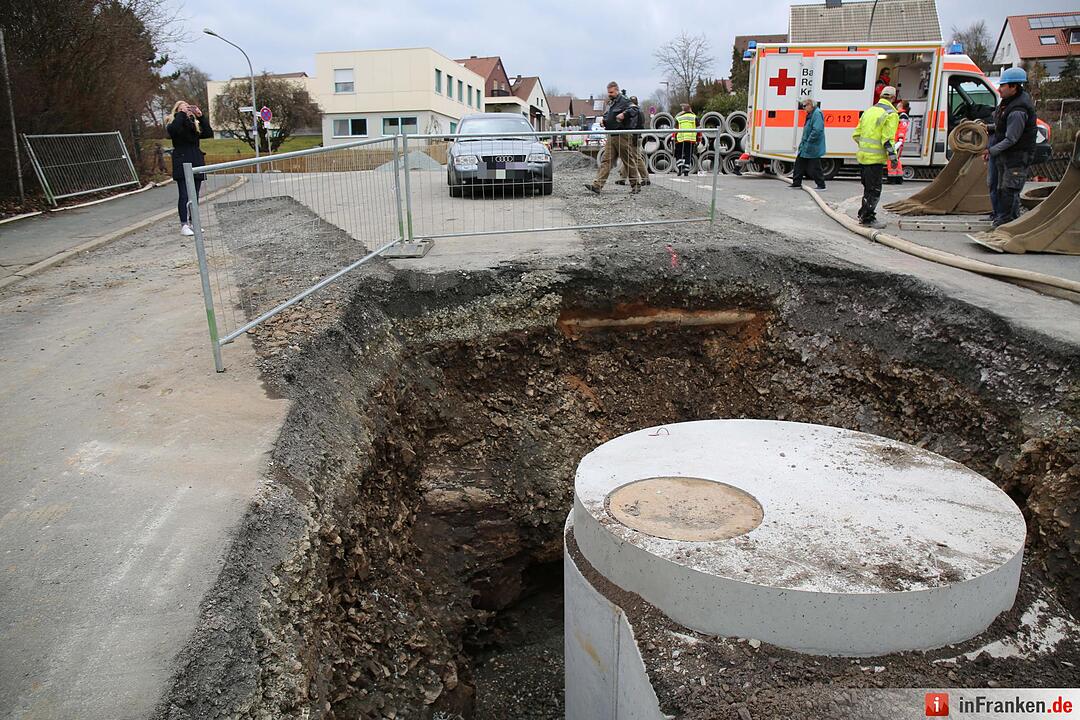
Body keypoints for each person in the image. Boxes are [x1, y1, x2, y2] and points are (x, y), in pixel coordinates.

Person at [986, 66, 1037, 226]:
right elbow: (1003, 126)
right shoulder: (1009, 103)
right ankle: (1004, 219)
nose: (999, 89)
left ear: (1014, 87)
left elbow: (1011, 138)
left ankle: (1008, 223)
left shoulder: (1018, 110)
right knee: (1002, 188)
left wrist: (991, 150)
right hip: (1007, 155)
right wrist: (988, 128)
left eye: (1003, 85)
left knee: (1009, 190)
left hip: (1016, 155)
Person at [852, 85, 899, 229]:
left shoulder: (869, 111)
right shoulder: (891, 114)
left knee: (868, 188)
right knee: (874, 190)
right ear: (893, 98)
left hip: (863, 157)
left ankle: (863, 214)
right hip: (875, 160)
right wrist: (893, 158)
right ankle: (867, 218)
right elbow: (887, 140)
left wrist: (866, 148)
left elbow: (856, 135)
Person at [166, 100, 214, 236]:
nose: (187, 110)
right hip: (182, 160)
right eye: (183, 108)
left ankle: (194, 223)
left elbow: (208, 133)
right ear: (177, 111)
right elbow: (174, 131)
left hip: (196, 159)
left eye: (188, 108)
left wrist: (200, 116)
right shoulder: (173, 124)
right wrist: (181, 114)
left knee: (195, 195)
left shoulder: (193, 125)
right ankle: (184, 224)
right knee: (184, 195)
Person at [586, 81, 642, 194]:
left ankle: (636, 185)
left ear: (617, 90)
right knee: (606, 161)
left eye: (611, 92)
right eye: (608, 92)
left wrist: (624, 114)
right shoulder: (611, 103)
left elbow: (635, 109)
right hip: (612, 136)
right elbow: (609, 116)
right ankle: (597, 185)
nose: (609, 94)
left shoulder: (625, 101)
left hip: (622, 136)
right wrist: (604, 121)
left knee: (628, 161)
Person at [791, 97, 827, 190]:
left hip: (812, 145)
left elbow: (817, 130)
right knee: (799, 163)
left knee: (815, 166)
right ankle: (796, 183)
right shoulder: (811, 114)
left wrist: (809, 141)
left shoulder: (817, 114)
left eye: (805, 105)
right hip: (807, 144)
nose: (804, 108)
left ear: (811, 105)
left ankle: (821, 185)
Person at [616, 95, 650, 186]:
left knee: (636, 158)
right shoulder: (640, 111)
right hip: (636, 136)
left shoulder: (633, 112)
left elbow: (633, 125)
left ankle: (645, 178)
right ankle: (622, 178)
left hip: (633, 137)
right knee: (627, 157)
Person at [886, 99, 910, 184]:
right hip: (897, 141)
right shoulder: (900, 115)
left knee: (891, 159)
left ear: (902, 106)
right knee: (896, 159)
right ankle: (898, 177)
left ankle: (891, 178)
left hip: (897, 141)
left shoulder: (902, 116)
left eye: (899, 104)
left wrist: (900, 139)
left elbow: (902, 128)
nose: (897, 105)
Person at [673, 103, 697, 176]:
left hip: (680, 139)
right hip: (690, 139)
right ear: (690, 109)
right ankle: (686, 172)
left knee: (679, 154)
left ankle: (680, 169)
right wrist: (699, 140)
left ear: (683, 111)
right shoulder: (694, 117)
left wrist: (674, 139)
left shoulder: (678, 118)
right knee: (688, 155)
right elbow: (699, 129)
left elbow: (675, 130)